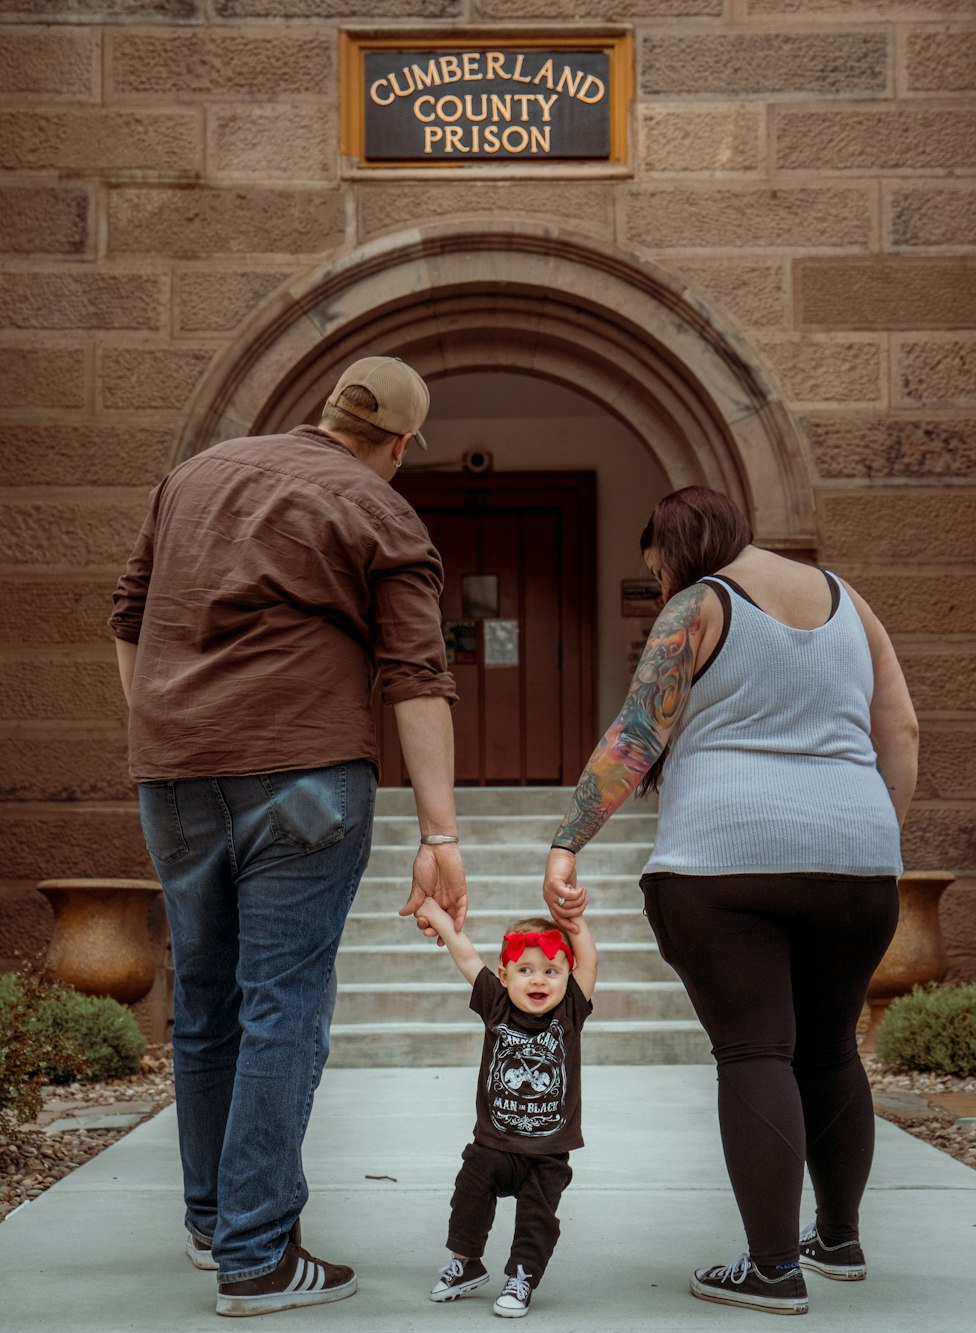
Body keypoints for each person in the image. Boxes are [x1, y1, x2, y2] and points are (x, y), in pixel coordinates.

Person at [109, 355, 469, 1318]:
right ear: (399, 443)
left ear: (324, 413)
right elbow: (416, 674)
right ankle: (258, 1256)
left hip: (176, 773)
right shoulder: (381, 507)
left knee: (206, 999)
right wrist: (441, 831)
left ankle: (213, 1219)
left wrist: (162, 728)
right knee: (283, 1003)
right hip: (305, 772)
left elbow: (129, 616)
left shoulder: (195, 476)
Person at [542, 485, 918, 1318]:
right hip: (857, 865)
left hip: (723, 864)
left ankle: (773, 1267)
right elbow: (903, 732)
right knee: (830, 1049)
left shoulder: (697, 605)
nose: (660, 580)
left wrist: (568, 839)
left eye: (658, 566)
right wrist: (867, 834)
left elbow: (637, 734)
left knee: (756, 1050)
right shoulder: (853, 603)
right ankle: (840, 1239)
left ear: (679, 546)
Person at [413, 898, 597, 1319]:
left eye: (551, 971)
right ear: (504, 975)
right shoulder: (495, 1003)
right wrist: (436, 913)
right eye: (526, 970)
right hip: (493, 1142)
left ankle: (522, 1277)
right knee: (468, 1196)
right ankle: (466, 1263)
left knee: (537, 1220)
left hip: (548, 1150)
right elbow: (465, 953)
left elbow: (588, 958)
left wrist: (573, 919)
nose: (539, 980)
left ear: (568, 977)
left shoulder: (570, 1010)